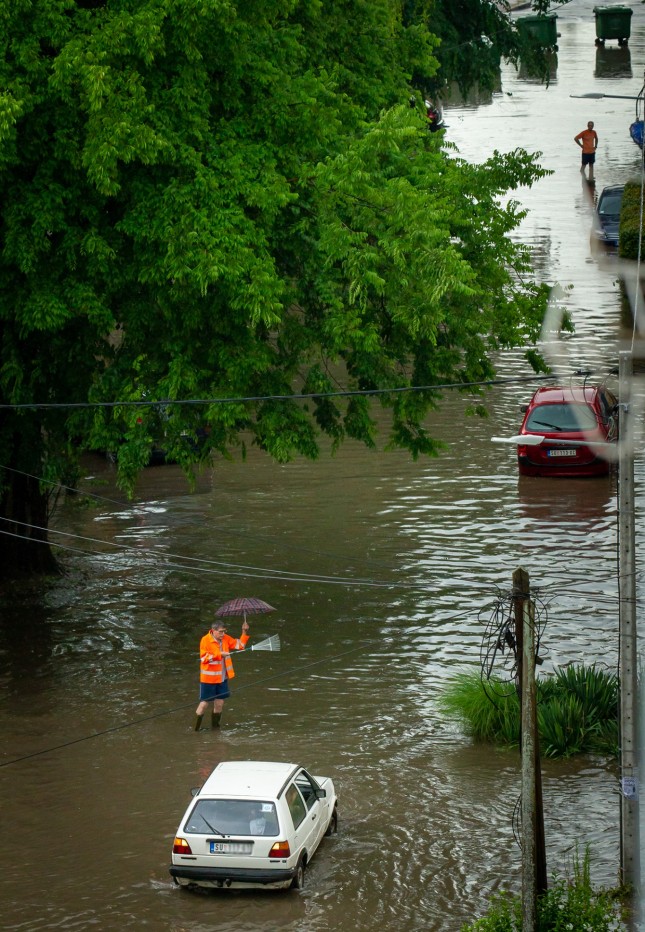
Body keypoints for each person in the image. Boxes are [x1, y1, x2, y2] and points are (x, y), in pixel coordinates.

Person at [194, 619, 249, 730]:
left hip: (222, 678)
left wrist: (244, 631)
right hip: (208, 679)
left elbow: (240, 645)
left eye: (224, 631)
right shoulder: (205, 640)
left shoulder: (225, 638)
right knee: (204, 704)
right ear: (213, 630)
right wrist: (219, 655)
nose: (223, 634)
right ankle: (196, 729)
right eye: (220, 632)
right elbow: (204, 658)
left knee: (219, 703)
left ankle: (215, 729)